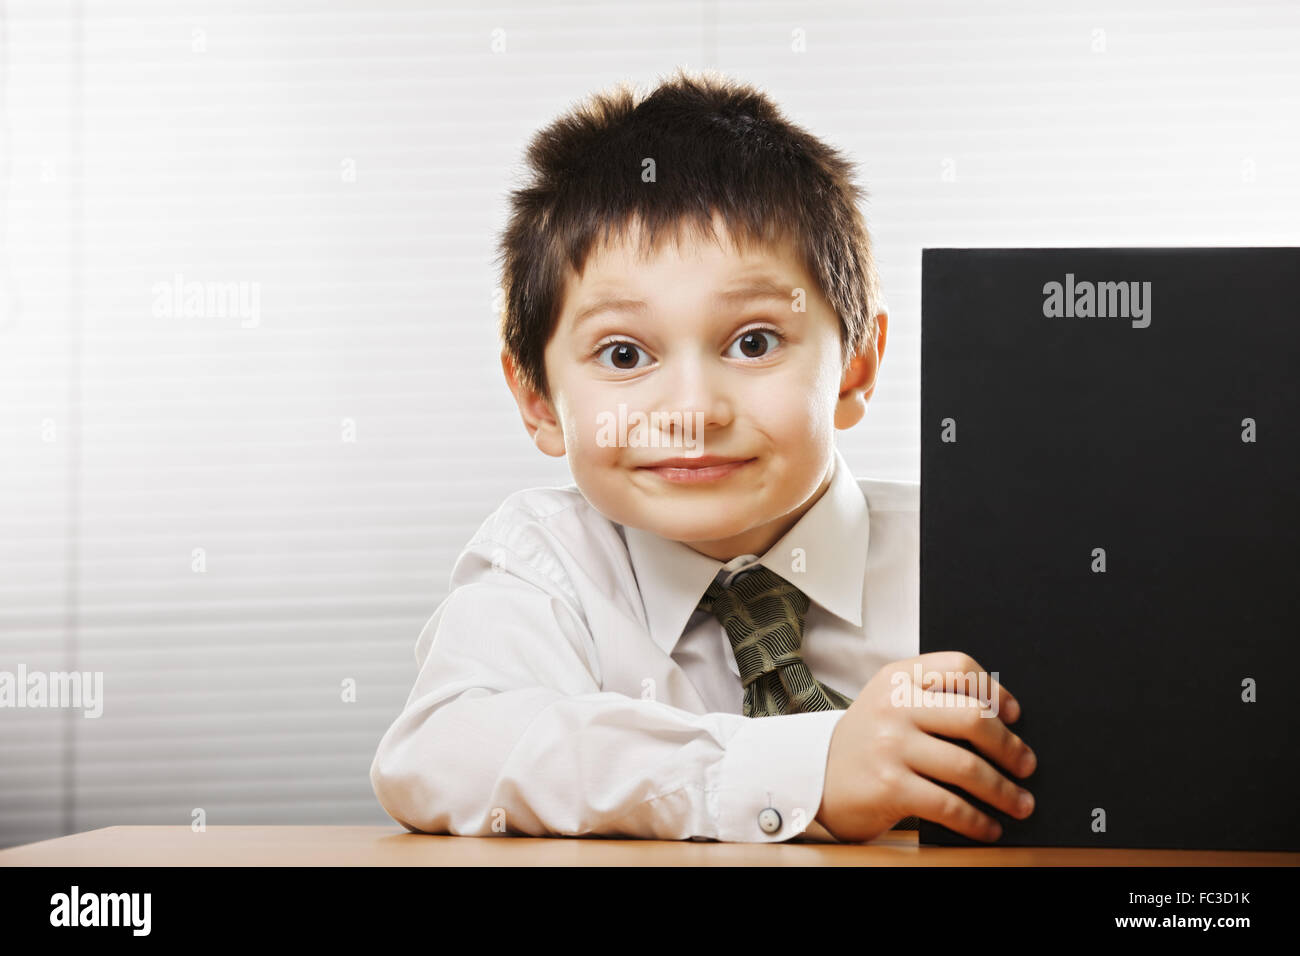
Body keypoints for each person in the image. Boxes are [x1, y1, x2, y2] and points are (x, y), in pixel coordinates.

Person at [370, 67, 1036, 843]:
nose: (692, 413)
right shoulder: (544, 563)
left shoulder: (983, 556)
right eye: (623, 355)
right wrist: (801, 768)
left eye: (753, 342)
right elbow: (446, 749)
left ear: (856, 366)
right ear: (539, 401)